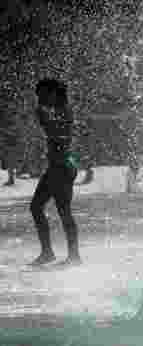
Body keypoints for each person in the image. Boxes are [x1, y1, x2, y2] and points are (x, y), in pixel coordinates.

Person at [28, 78, 81, 266]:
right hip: (58, 167)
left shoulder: (64, 111)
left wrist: (45, 122)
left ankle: (72, 256)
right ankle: (50, 252)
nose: (39, 98)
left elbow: (61, 137)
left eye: (41, 94)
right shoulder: (59, 110)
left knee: (62, 211)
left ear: (52, 93)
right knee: (38, 207)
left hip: (62, 167)